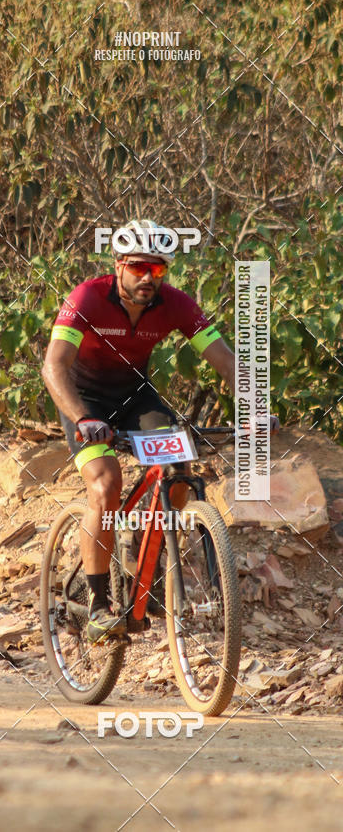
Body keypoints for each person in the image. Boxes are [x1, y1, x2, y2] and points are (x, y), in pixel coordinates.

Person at [42, 218, 278, 643]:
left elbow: (225, 360)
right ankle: (98, 606)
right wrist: (83, 418)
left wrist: (257, 409)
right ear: (118, 265)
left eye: (159, 270)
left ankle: (143, 560)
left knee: (179, 465)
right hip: (85, 402)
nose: (149, 278)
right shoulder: (87, 298)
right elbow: (53, 366)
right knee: (106, 483)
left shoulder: (177, 305)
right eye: (139, 267)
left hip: (136, 399)